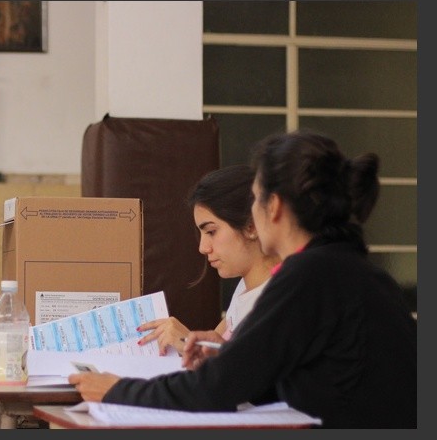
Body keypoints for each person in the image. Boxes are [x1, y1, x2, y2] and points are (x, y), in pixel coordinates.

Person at [69, 130, 417, 428]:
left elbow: (216, 389)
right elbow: (302, 379)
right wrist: (228, 357)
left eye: (255, 198)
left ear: (274, 206)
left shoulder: (308, 275)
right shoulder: (356, 271)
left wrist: (115, 391)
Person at [136, 165, 279, 356]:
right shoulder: (246, 286)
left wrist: (188, 342)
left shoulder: (276, 302)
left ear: (251, 226)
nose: (203, 248)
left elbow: (242, 377)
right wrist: (188, 343)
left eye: (211, 231)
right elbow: (215, 354)